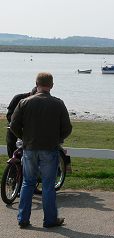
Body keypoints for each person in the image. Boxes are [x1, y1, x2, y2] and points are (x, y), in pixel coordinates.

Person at [10, 72, 72, 228]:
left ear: (36, 83)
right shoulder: (58, 104)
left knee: (27, 183)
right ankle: (50, 219)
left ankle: (23, 218)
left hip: (29, 148)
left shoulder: (24, 102)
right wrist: (58, 139)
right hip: (50, 149)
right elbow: (67, 128)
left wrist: (24, 138)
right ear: (51, 85)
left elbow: (14, 125)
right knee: (48, 185)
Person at [6, 87, 37, 157]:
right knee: (12, 153)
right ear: (30, 94)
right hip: (13, 131)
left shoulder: (38, 103)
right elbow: (9, 115)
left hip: (29, 134)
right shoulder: (18, 98)